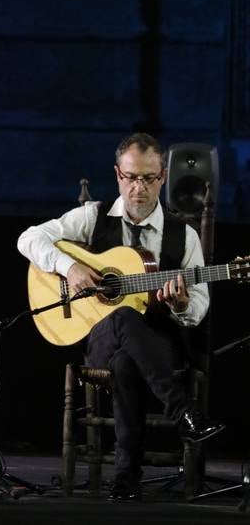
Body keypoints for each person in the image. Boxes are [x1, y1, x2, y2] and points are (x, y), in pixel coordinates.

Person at [17, 132, 224, 502]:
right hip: (99, 339)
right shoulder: (92, 216)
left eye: (147, 178)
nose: (138, 188)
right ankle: (184, 413)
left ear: (162, 177)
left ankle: (126, 478)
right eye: (130, 177)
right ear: (117, 175)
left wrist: (179, 306)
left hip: (159, 345)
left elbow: (198, 307)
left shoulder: (184, 236)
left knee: (128, 361)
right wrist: (68, 267)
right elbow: (28, 239)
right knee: (123, 317)